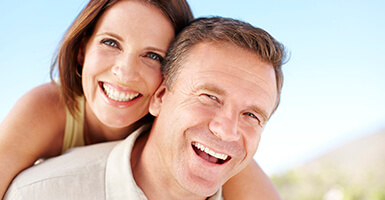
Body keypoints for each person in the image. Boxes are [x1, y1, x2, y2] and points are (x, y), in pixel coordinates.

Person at [0, 0, 281, 199]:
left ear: (167, 83)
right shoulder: (46, 107)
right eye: (110, 42)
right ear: (82, 49)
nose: (125, 72)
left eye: (152, 56)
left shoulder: (212, 135)